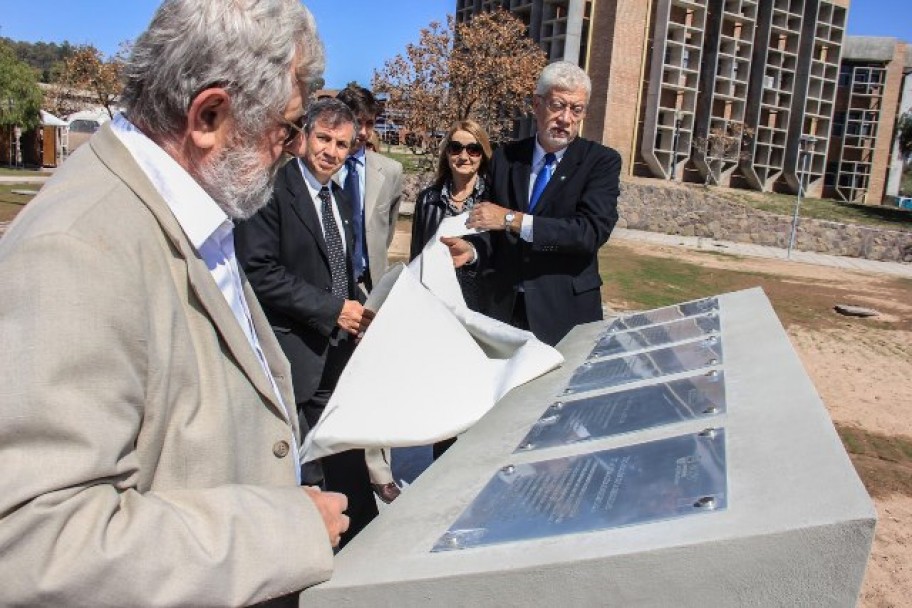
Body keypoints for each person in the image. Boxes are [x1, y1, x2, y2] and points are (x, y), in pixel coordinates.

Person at [0, 2, 349, 606]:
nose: (293, 149)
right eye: (286, 127)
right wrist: (285, 528)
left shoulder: (197, 212)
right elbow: (37, 545)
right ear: (209, 115)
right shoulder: (76, 249)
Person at [235, 97, 378, 547]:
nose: (332, 152)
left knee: (346, 463)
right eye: (324, 139)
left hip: (337, 352)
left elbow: (340, 269)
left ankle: (362, 549)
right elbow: (258, 271)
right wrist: (330, 309)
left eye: (342, 144)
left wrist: (359, 309)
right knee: (299, 472)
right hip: (289, 354)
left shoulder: (340, 197)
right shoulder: (272, 186)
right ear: (305, 136)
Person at [445, 61, 621, 347]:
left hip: (564, 315)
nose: (566, 118)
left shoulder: (600, 162)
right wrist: (473, 250)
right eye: (558, 105)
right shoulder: (506, 158)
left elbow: (589, 232)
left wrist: (512, 220)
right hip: (502, 311)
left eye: (576, 110)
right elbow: (490, 230)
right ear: (536, 104)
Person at [334, 85, 404, 503]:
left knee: (377, 379)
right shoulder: (322, 164)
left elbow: (388, 227)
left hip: (371, 286)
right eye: (354, 123)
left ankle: (380, 469)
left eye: (367, 123)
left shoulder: (389, 171)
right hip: (328, 287)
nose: (362, 132)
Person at [411, 119, 493, 313]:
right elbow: (417, 256)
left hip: (480, 303)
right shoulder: (427, 200)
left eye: (473, 149)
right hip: (435, 301)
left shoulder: (495, 199)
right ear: (447, 154)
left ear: (483, 155)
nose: (464, 156)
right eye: (456, 148)